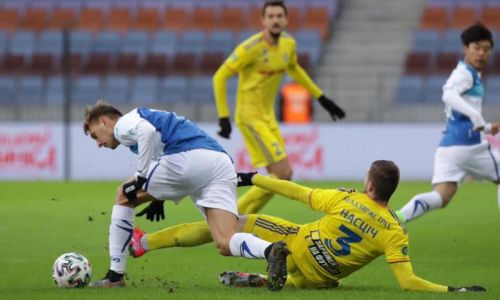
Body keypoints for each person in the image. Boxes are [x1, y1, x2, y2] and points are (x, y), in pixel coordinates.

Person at [129, 161, 485, 292]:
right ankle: (262, 278)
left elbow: (296, 191)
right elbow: (407, 282)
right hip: (320, 277)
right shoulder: (395, 230)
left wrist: (254, 178)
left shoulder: (347, 198)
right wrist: (452, 291)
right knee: (325, 279)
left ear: (370, 186)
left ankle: (144, 242)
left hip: (297, 243)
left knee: (227, 226)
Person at [82, 100, 290, 291]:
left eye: (94, 135)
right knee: (225, 241)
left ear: (104, 121)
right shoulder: (145, 117)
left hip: (188, 158)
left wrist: (141, 177)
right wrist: (157, 197)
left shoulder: (123, 124)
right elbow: (158, 145)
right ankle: (270, 250)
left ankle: (115, 277)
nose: (98, 143)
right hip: (219, 162)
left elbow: (147, 131)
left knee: (122, 195)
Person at [212, 0, 346, 215]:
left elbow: (294, 69)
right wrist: (223, 117)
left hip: (268, 117)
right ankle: (231, 214)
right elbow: (220, 77)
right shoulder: (250, 48)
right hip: (249, 116)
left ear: (286, 19)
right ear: (263, 21)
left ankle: (237, 218)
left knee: (280, 176)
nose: (275, 20)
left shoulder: (288, 45)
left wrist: (321, 98)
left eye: (279, 16)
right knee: (283, 173)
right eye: (271, 16)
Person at [396, 23, 500, 223]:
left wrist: (487, 127)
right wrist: (477, 118)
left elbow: (460, 113)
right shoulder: (465, 74)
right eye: (476, 48)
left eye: (486, 49)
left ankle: (396, 218)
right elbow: (448, 94)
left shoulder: (467, 73)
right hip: (469, 145)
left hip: (449, 147)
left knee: (441, 197)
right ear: (465, 48)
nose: (482, 54)